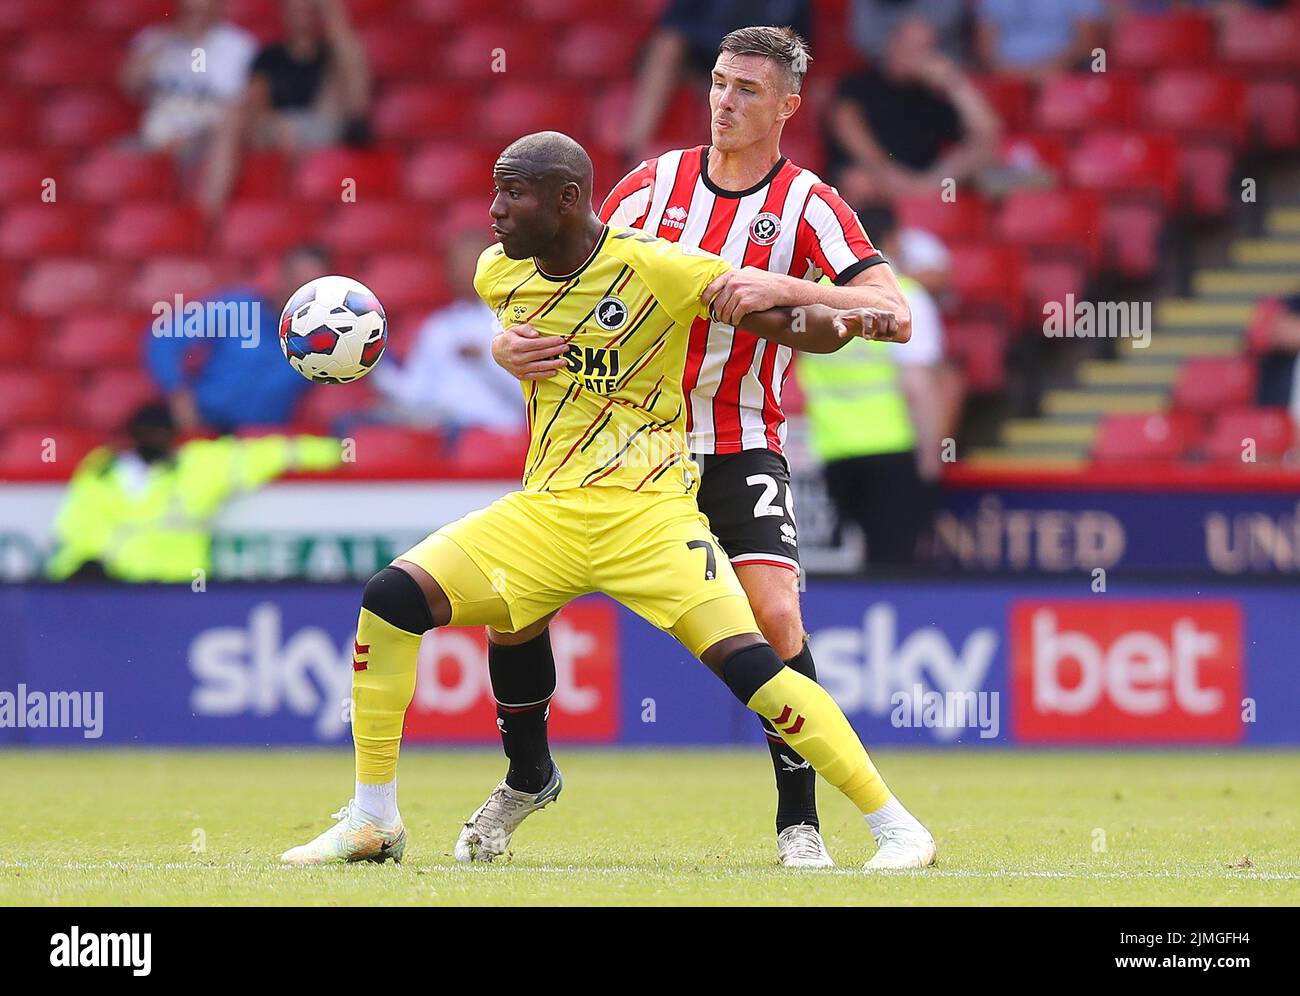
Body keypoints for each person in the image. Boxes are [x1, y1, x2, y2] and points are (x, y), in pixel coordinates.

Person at [280, 130, 936, 872]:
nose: (494, 212)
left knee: (756, 664)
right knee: (390, 598)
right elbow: (516, 324)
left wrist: (842, 312)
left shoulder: (659, 267)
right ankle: (375, 820)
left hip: (647, 514)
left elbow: (795, 330)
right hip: (547, 510)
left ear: (566, 200)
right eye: (495, 192)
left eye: (513, 194)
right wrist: (503, 348)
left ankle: (897, 827)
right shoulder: (499, 274)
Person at [488, 27, 917, 868]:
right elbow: (567, 280)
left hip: (737, 440)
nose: (725, 100)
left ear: (788, 105)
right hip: (620, 443)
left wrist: (783, 286)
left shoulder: (810, 206)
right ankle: (528, 775)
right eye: (719, 83)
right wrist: (507, 343)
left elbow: (892, 311)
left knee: (775, 612)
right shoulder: (651, 188)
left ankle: (800, 825)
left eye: (748, 90)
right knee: (513, 610)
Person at [798, 206, 947, 567]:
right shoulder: (906, 297)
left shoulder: (814, 297)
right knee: (892, 567)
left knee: (836, 571)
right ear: (892, 241)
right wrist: (932, 455)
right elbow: (918, 386)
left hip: (830, 451)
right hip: (890, 448)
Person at [47, 403, 341, 583]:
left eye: (161, 432)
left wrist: (337, 452)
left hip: (176, 592)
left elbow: (272, 452)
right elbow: (75, 528)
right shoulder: (101, 470)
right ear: (132, 434)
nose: (155, 439)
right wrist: (82, 570)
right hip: (111, 590)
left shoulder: (199, 464)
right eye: (147, 432)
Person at [199, 0, 371, 217]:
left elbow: (351, 67)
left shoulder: (333, 54)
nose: (302, 15)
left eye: (308, 9)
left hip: (323, 125)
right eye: (296, 9)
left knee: (342, 63)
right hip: (276, 129)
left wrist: (332, 13)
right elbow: (255, 100)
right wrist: (273, 124)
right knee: (234, 113)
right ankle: (208, 214)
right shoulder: (269, 56)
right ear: (284, 13)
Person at [145, 244, 331, 433]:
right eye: (295, 281)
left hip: (263, 443)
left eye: (310, 290)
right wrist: (178, 395)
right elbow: (164, 338)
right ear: (282, 276)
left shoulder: (322, 341)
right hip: (204, 425)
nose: (299, 295)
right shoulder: (238, 307)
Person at [826, 17, 1000, 207]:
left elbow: (987, 133)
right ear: (892, 44)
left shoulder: (933, 96)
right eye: (909, 47)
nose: (915, 56)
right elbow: (845, 124)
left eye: (923, 49)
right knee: (858, 181)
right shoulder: (860, 82)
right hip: (878, 178)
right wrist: (888, 173)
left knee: (983, 155)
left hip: (928, 183)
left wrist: (955, 82)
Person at [369, 230, 525, 434]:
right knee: (359, 425)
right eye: (455, 263)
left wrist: (486, 360)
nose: (459, 270)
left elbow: (527, 400)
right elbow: (414, 393)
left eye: (469, 262)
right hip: (437, 429)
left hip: (491, 436)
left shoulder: (514, 322)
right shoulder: (438, 326)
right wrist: (373, 364)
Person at [119, 0, 257, 158]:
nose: (196, 18)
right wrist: (167, 42)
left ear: (216, 9)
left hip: (207, 141)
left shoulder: (239, 45)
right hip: (157, 137)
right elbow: (129, 83)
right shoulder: (155, 39)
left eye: (203, 11)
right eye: (190, 11)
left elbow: (244, 106)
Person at [973, 0, 1106, 82]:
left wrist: (1047, 69)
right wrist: (1011, 73)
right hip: (1006, 79)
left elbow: (1090, 44)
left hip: (1061, 77)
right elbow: (984, 49)